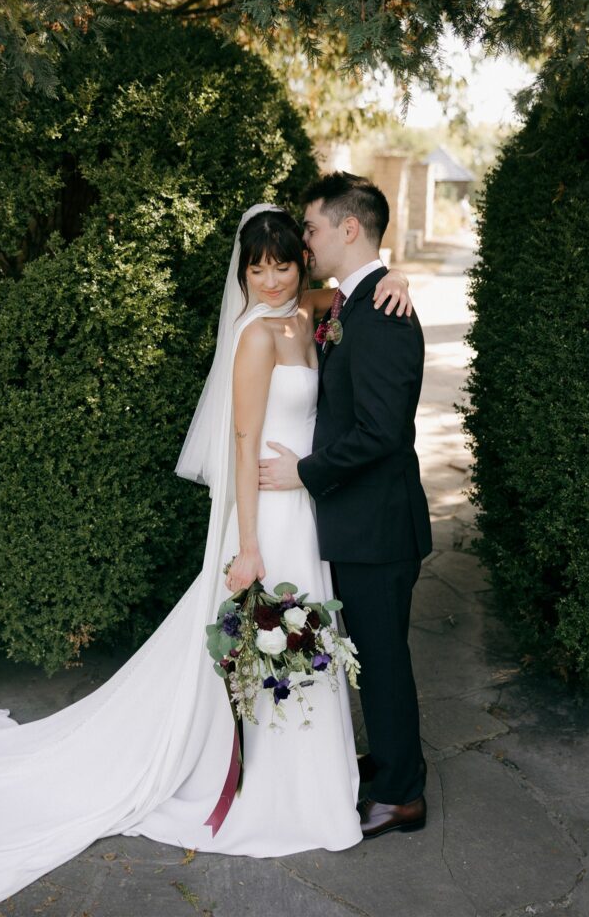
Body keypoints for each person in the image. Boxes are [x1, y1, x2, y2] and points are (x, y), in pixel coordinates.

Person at [0, 202, 413, 913]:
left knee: (305, 644)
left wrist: (396, 276)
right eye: (257, 269)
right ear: (242, 275)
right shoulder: (255, 335)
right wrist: (248, 547)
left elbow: (346, 296)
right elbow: (242, 445)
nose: (271, 280)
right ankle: (274, 786)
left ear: (301, 264)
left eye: (283, 265)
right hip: (267, 515)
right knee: (274, 642)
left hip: (308, 512)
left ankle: (311, 779)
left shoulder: (310, 314)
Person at [259, 173, 432, 838]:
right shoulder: (353, 301)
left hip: (378, 527)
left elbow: (381, 432)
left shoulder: (382, 314)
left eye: (311, 227)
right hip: (361, 523)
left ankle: (401, 794)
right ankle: (389, 764)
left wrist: (304, 473)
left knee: (383, 662)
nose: (305, 240)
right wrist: (398, 273)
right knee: (374, 656)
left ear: (348, 227)